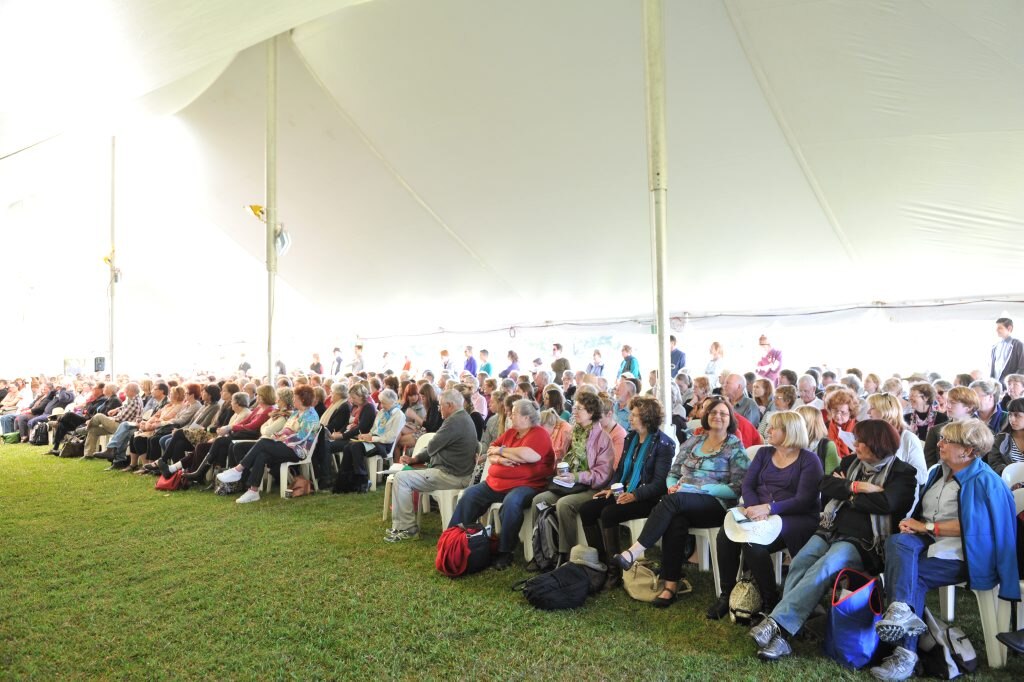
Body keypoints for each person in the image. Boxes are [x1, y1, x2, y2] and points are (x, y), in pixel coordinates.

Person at [748, 420, 918, 661]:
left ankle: (778, 627)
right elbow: (825, 486)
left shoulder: (902, 474)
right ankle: (783, 633)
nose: (855, 445)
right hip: (830, 530)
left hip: (865, 541)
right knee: (801, 562)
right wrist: (859, 487)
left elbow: (888, 504)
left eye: (861, 442)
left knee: (825, 567)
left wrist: (846, 492)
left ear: (877, 445)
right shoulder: (852, 463)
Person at [870, 419, 1019, 680]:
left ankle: (905, 654)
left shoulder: (986, 481)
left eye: (947, 440)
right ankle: (901, 613)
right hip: (930, 542)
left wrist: (925, 525)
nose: (939, 443)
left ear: (969, 450)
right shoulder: (939, 472)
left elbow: (976, 527)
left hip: (967, 553)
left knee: (911, 577)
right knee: (897, 542)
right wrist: (913, 525)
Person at [611, 396, 749, 606]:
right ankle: (670, 586)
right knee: (676, 519)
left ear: (730, 418)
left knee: (672, 502)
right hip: (683, 499)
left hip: (716, 504)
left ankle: (634, 552)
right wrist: (672, 485)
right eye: (713, 412)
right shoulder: (694, 441)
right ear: (705, 416)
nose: (717, 417)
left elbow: (738, 487)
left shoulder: (734, 446)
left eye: (723, 413)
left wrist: (699, 489)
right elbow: (673, 472)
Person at [707, 411, 824, 619]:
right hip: (759, 514)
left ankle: (770, 600)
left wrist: (769, 509)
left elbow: (804, 500)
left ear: (789, 432)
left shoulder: (809, 460)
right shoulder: (763, 453)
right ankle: (726, 595)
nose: (767, 431)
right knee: (725, 536)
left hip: (795, 517)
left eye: (773, 428)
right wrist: (754, 509)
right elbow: (747, 485)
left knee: (753, 544)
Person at [579, 396, 675, 589]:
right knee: (587, 509)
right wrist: (610, 489)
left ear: (647, 418)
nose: (630, 418)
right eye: (631, 414)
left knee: (609, 513)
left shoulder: (664, 444)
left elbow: (659, 484)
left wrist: (635, 495)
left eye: (635, 415)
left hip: (648, 498)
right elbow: (621, 471)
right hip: (625, 492)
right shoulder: (630, 438)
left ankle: (615, 571)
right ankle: (601, 563)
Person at [447, 399, 555, 570]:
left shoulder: (538, 433)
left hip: (527, 485)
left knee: (512, 503)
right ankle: (452, 540)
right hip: (495, 483)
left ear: (526, 417)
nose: (510, 415)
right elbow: (491, 449)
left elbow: (530, 455)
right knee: (469, 495)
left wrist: (502, 451)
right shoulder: (512, 433)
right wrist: (497, 457)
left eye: (514, 413)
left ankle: (505, 551)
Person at [385, 389, 479, 542]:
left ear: (450, 405)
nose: (439, 408)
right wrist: (416, 459)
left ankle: (407, 528)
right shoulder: (463, 418)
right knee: (403, 476)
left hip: (451, 476)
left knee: (401, 478)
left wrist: (415, 458)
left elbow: (433, 445)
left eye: (440, 406)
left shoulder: (454, 421)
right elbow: (434, 446)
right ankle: (405, 526)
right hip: (455, 473)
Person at [530, 392, 614, 563]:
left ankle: (565, 555)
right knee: (539, 500)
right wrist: (560, 464)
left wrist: (575, 477)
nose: (574, 411)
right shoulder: (573, 432)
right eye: (575, 407)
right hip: (568, 485)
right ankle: (540, 551)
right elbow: (564, 460)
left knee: (564, 504)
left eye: (579, 408)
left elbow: (602, 475)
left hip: (591, 488)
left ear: (591, 412)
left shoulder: (602, 438)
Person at [215, 384, 320, 503]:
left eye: (295, 398)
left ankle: (238, 470)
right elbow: (285, 428)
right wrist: (278, 435)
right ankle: (253, 491)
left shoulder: (311, 415)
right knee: (262, 454)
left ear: (303, 400)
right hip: (286, 445)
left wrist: (283, 438)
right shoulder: (297, 413)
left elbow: (303, 436)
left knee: (263, 442)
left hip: (298, 450)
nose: (293, 400)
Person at [335, 389, 404, 493]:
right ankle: (347, 482)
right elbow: (374, 429)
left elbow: (390, 437)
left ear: (392, 402)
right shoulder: (382, 412)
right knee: (348, 446)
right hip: (374, 440)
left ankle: (362, 480)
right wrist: (367, 435)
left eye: (384, 403)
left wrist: (372, 438)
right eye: (381, 402)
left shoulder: (399, 415)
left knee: (355, 447)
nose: (381, 405)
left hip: (384, 444)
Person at [867, 393, 928, 484]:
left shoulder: (908, 438)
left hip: (899, 493)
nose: (868, 412)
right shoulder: (871, 436)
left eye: (872, 407)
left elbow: (922, 477)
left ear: (886, 411)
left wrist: (892, 466)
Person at [923, 385, 978, 468]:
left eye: (953, 403)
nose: (948, 406)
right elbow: (929, 463)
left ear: (968, 407)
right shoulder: (935, 430)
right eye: (948, 402)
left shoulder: (980, 431)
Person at [796, 405, 840, 475]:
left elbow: (830, 479)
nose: (793, 424)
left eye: (796, 421)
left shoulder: (827, 445)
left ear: (808, 424)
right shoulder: (792, 443)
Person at [986, 396, 1024, 475]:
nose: (1012, 419)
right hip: (1008, 483)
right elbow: (994, 463)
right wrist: (1008, 474)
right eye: (1010, 414)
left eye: (1017, 415)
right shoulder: (1000, 439)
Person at [824, 387, 859, 458]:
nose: (838, 416)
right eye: (835, 411)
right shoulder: (825, 426)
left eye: (843, 412)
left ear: (851, 411)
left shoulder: (859, 428)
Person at [991, 317, 1024, 385]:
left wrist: (1013, 383)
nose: (996, 330)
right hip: (996, 385)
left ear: (1009, 328)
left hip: (1010, 385)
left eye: (1000, 328)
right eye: (996, 328)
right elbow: (993, 369)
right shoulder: (995, 347)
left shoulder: (1018, 344)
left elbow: (1022, 367)